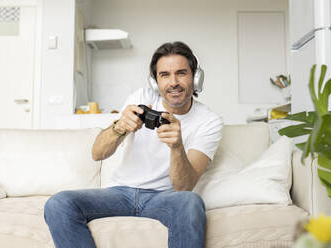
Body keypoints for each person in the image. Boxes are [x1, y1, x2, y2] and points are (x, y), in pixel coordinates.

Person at [44, 41, 223, 248]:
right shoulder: (142, 97)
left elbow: (184, 187)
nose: (173, 82)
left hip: (164, 198)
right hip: (120, 193)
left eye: (181, 73)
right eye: (164, 75)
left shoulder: (209, 121)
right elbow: (97, 153)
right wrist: (119, 127)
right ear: (155, 82)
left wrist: (177, 147)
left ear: (196, 77)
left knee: (191, 202)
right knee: (59, 203)